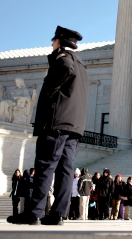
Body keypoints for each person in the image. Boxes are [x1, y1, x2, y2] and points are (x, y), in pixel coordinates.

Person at [8, 26, 89, 226]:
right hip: (74, 126)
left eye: (53, 41)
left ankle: (34, 213)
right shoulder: (82, 66)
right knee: (65, 170)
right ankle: (58, 214)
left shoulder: (63, 60)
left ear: (60, 41)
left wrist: (47, 94)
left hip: (57, 123)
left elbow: (63, 72)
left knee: (45, 167)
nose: (51, 44)